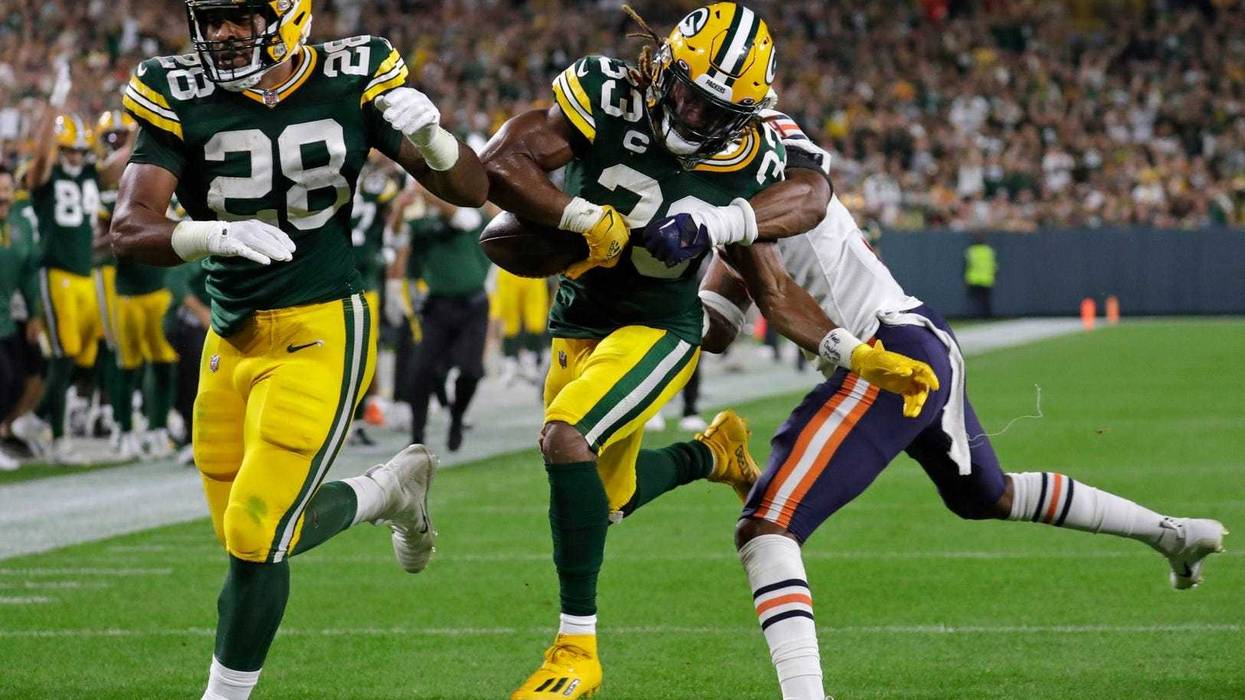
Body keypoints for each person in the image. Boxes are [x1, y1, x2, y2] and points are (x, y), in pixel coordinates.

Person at [675, 114, 1229, 700]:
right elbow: (714, 329)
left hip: (888, 352)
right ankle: (1172, 534)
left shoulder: (764, 176)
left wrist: (719, 221)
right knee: (987, 495)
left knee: (767, 524)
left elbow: (806, 204)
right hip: (919, 340)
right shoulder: (733, 214)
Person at [482, 5, 927, 697]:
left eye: (714, 106)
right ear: (664, 67)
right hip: (577, 321)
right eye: (687, 90)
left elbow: (774, 290)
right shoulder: (605, 93)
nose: (691, 112)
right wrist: (576, 217)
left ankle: (574, 650)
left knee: (565, 440)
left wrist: (854, 353)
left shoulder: (744, 162)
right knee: (603, 502)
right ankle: (711, 454)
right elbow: (499, 165)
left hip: (659, 327)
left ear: (747, 111)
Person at [109, 1, 488, 698]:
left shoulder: (353, 74)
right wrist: (207, 236)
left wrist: (435, 139)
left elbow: (471, 188)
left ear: (286, 17)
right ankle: (386, 492)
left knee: (259, 530)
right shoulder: (178, 89)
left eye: (237, 19)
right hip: (231, 334)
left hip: (323, 323)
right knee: (244, 541)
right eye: (210, 19)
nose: (219, 35)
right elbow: (128, 228)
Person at [25, 64, 130, 463]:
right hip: (57, 275)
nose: (75, 157)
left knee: (86, 356)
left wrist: (141, 121)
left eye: (79, 151)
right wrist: (54, 107)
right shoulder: (46, 180)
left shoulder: (89, 172)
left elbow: (117, 166)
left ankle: (39, 417)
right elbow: (39, 160)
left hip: (85, 275)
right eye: (68, 150)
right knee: (64, 354)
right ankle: (56, 436)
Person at [400, 186, 490, 452]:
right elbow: (395, 240)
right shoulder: (422, 225)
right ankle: (417, 436)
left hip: (473, 305)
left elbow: (460, 218)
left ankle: (457, 418)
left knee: (471, 372)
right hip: (437, 307)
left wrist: (423, 189)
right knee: (420, 372)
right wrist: (397, 209)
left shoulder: (471, 212)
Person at [348, 153, 401, 446]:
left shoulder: (338, 182)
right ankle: (354, 419)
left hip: (339, 274)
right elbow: (392, 198)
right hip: (362, 277)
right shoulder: (375, 184)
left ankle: (356, 416)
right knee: (362, 353)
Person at [0, 166, 44, 469]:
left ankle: (6, 431)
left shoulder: (18, 224)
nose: (4, 196)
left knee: (20, 374)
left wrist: (34, 313)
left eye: (7, 189)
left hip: (5, 315)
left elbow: (28, 270)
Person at [964, 232, 996, 318]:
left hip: (974, 278)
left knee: (975, 300)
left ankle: (975, 315)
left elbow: (967, 265)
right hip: (987, 278)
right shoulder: (989, 250)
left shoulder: (971, 250)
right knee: (985, 300)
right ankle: (987, 316)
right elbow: (994, 265)